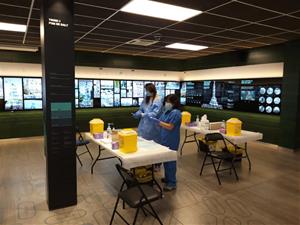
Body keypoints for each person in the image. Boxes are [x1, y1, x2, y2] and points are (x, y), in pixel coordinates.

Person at [150, 94, 181, 191]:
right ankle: (168, 178)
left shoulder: (176, 113)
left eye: (168, 101)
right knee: (166, 160)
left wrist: (158, 122)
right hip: (164, 139)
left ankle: (172, 183)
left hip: (172, 140)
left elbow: (170, 127)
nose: (166, 103)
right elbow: (160, 122)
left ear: (174, 102)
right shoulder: (166, 112)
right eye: (166, 101)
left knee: (170, 161)